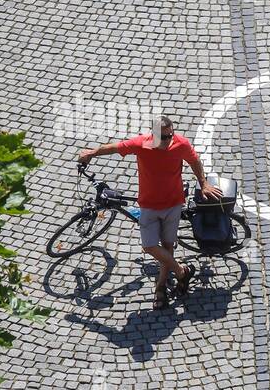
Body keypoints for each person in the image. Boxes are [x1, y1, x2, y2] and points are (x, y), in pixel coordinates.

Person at [78, 114, 221, 310]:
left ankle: (160, 288)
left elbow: (194, 161)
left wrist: (203, 183)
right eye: (163, 137)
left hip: (173, 204)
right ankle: (182, 272)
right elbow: (113, 148)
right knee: (150, 246)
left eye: (170, 135)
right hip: (149, 205)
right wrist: (92, 153)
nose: (169, 140)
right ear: (153, 135)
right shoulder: (140, 144)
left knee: (168, 246)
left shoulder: (180, 144)